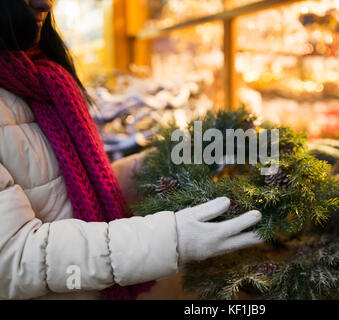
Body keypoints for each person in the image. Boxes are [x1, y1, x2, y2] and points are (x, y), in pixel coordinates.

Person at [0, 0, 263, 300]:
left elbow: (70, 193)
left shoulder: (41, 78)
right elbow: (12, 259)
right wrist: (170, 239)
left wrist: (169, 159)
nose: (46, 3)